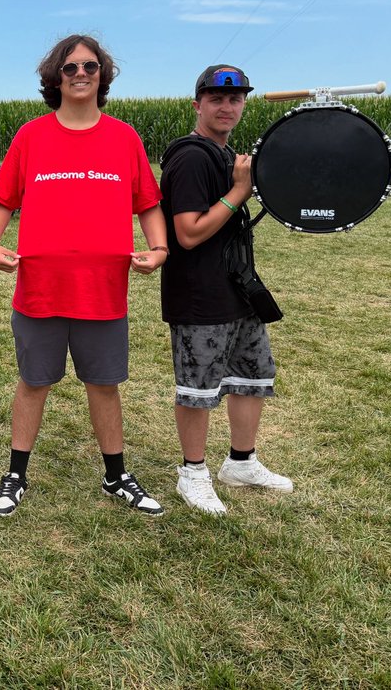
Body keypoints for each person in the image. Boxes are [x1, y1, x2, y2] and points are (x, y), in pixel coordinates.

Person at [0, 34, 169, 518]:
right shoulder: (31, 136)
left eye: (90, 66)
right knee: (34, 382)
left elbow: (148, 203)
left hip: (103, 290)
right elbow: (3, 199)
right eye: (70, 67)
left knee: (104, 385)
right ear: (56, 77)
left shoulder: (124, 137)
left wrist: (160, 249)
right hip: (40, 288)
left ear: (102, 74)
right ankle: (16, 474)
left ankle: (115, 475)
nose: (81, 74)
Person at [159, 65, 293, 514]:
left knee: (252, 376)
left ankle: (241, 462)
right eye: (216, 98)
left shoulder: (226, 154)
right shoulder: (191, 157)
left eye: (235, 99)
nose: (227, 106)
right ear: (197, 105)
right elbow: (189, 233)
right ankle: (192, 473)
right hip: (201, 294)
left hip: (239, 290)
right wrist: (239, 191)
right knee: (198, 388)